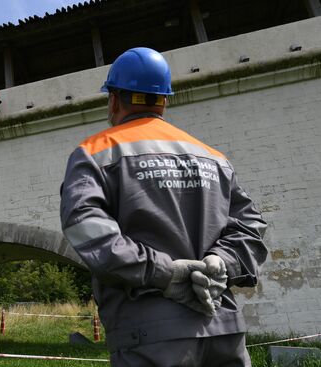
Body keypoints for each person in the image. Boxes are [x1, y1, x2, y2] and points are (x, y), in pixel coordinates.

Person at [60, 47, 268, 367]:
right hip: (223, 328)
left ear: (114, 99)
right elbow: (251, 224)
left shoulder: (95, 153)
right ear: (164, 101)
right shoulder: (212, 156)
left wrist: (165, 274)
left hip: (148, 338)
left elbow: (86, 227)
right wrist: (220, 263)